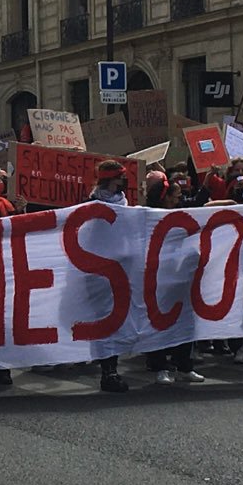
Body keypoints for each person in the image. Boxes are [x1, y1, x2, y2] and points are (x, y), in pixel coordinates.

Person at [143, 177, 206, 385]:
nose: (180, 198)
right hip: (158, 278)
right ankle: (160, 366)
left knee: (186, 320)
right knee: (158, 322)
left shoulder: (184, 212)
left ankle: (184, 365)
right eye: (176, 195)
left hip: (181, 276)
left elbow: (206, 205)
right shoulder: (147, 217)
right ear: (166, 198)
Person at [81, 161, 133, 393]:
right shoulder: (92, 205)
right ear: (111, 179)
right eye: (121, 177)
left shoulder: (125, 203)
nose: (125, 181)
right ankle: (108, 370)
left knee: (117, 319)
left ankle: (110, 366)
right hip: (98, 271)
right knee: (104, 319)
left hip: (120, 268)